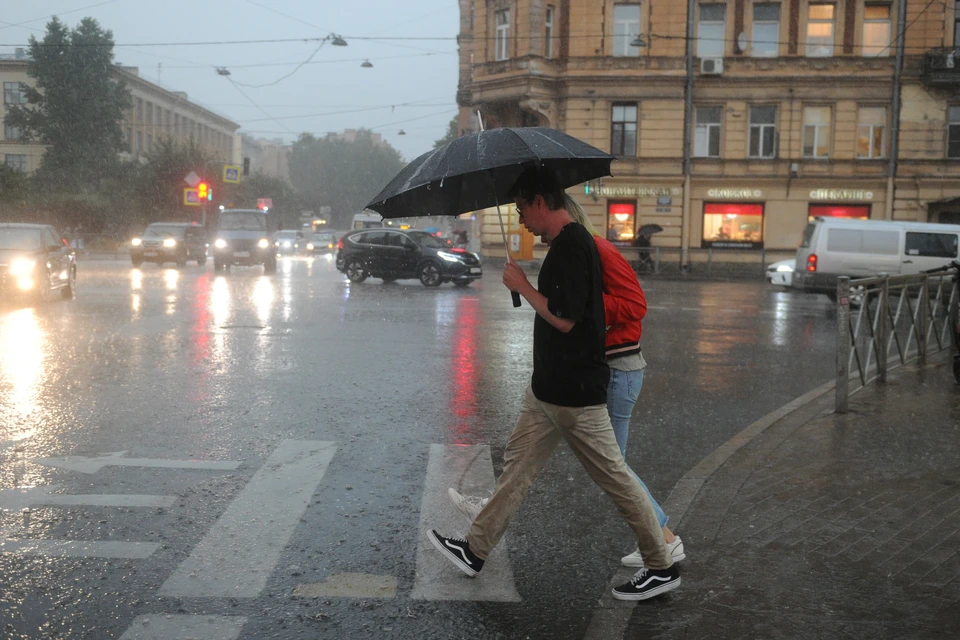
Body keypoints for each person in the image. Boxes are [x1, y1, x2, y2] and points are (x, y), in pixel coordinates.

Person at [427, 167, 680, 602]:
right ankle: (475, 550)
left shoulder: (574, 248)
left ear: (542, 202)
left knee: (616, 478)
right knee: (517, 470)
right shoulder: (566, 246)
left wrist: (523, 285)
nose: (521, 218)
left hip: (573, 393)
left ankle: (661, 565)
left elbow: (565, 318)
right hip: (548, 389)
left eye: (523, 207)